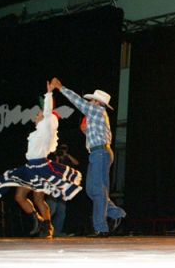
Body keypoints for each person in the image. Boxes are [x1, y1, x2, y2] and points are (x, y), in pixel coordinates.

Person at [0, 81, 83, 238]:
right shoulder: (39, 132)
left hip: (40, 167)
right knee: (22, 197)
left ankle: (46, 226)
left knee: (35, 198)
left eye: (39, 114)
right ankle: (39, 221)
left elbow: (48, 111)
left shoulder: (45, 128)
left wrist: (49, 93)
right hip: (31, 167)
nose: (36, 116)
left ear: (44, 118)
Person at [51, 77, 126, 237]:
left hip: (100, 153)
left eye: (92, 100)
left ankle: (101, 227)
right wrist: (87, 132)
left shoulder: (97, 110)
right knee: (94, 190)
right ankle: (117, 214)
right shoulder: (100, 114)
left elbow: (78, 101)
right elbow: (102, 135)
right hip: (100, 153)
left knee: (97, 190)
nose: (90, 102)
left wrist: (61, 88)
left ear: (98, 102)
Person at [46, 144, 81, 237]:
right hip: (53, 188)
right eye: (61, 148)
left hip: (63, 189)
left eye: (65, 148)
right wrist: (57, 157)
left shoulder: (67, 159)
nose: (63, 150)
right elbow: (54, 170)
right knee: (51, 210)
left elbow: (77, 163)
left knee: (62, 212)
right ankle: (45, 231)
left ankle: (56, 232)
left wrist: (67, 155)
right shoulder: (52, 157)